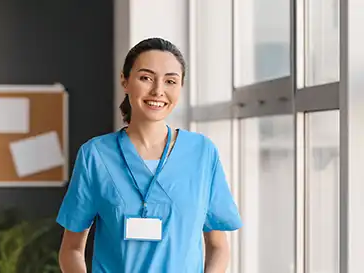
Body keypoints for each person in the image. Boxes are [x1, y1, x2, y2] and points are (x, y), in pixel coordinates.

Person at [56, 37, 243, 273]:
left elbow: (218, 246)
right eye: (146, 78)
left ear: (180, 88)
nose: (158, 91)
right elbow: (71, 248)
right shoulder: (96, 155)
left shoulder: (202, 153)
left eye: (170, 81)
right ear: (125, 81)